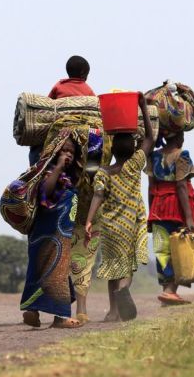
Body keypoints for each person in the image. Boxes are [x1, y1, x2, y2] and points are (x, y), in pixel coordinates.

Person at [84, 92, 154, 321]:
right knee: (127, 266)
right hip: (131, 225)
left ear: (112, 151)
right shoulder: (134, 166)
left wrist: (89, 220)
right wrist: (143, 107)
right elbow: (150, 139)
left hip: (110, 227)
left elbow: (97, 196)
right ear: (133, 151)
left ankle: (113, 311)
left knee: (112, 267)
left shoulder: (105, 172)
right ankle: (124, 289)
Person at [20, 133, 83, 329]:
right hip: (49, 232)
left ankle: (34, 310)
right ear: (55, 151)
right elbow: (46, 192)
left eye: (71, 152)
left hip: (59, 233)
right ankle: (60, 317)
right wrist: (57, 167)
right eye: (64, 150)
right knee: (50, 269)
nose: (68, 155)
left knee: (50, 270)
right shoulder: (46, 173)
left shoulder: (70, 177)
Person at [146, 131, 194, 305]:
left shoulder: (153, 156)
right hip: (175, 208)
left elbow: (150, 187)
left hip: (158, 208)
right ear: (178, 137)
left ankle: (167, 293)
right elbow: (181, 186)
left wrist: (151, 213)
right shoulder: (182, 155)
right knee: (180, 249)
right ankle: (170, 291)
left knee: (163, 250)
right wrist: (189, 218)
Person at [28, 55, 96, 166]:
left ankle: (36, 166)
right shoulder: (87, 89)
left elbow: (48, 104)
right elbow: (94, 106)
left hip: (58, 126)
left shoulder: (59, 85)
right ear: (84, 73)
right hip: (79, 128)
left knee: (36, 145)